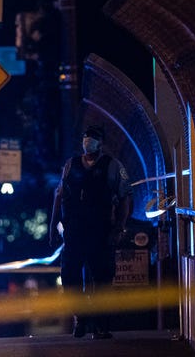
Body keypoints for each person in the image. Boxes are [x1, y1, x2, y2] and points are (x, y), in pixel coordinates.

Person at [49, 125, 133, 339]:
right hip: (74, 232)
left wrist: (119, 227)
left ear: (100, 142)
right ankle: (81, 316)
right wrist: (53, 224)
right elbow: (59, 195)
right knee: (69, 277)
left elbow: (124, 197)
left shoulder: (113, 166)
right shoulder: (71, 165)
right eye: (86, 137)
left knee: (103, 279)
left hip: (100, 231)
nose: (88, 141)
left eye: (93, 138)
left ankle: (101, 324)